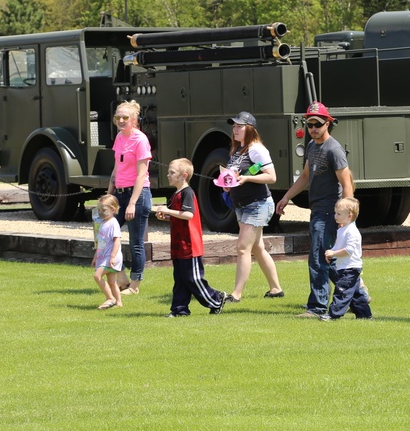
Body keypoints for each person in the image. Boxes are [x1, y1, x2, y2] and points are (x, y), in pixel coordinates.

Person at [275, 102, 354, 318]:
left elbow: (346, 182)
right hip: (317, 209)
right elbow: (305, 176)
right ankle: (357, 293)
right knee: (328, 257)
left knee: (318, 257)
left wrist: (345, 215)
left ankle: (317, 306)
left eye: (317, 124)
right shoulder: (311, 146)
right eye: (309, 124)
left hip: (330, 211)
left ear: (327, 123)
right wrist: (286, 197)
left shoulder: (334, 149)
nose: (313, 128)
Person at [154, 158, 228, 317]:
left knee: (193, 278)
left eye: (172, 172)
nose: (168, 175)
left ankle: (216, 299)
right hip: (178, 245)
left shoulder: (187, 193)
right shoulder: (176, 194)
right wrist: (167, 217)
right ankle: (179, 310)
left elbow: (189, 214)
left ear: (184, 175)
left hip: (190, 245)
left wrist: (168, 211)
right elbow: (179, 216)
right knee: (180, 279)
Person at [224, 111, 284, 303]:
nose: (235, 130)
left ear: (250, 129)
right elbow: (233, 176)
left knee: (243, 248)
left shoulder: (256, 149)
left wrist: (248, 178)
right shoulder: (237, 150)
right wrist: (227, 184)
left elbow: (272, 177)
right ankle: (276, 289)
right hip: (241, 204)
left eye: (239, 126)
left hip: (258, 204)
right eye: (233, 126)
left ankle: (236, 294)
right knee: (257, 248)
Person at [107, 100, 151, 295]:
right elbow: (116, 168)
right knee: (107, 234)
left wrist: (133, 202)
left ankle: (134, 286)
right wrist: (109, 194)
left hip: (138, 194)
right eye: (118, 117)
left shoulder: (140, 140)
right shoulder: (119, 138)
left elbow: (142, 175)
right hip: (120, 193)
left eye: (126, 118)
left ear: (134, 119)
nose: (121, 121)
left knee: (136, 242)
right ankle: (122, 276)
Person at [321, 197, 372, 320]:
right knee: (355, 294)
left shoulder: (352, 232)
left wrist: (333, 254)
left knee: (342, 291)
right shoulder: (342, 229)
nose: (335, 216)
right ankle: (365, 315)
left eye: (339, 214)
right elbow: (339, 246)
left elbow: (349, 250)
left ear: (349, 215)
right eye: (335, 213)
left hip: (350, 268)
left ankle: (333, 315)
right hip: (343, 266)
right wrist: (332, 251)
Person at [91, 194, 124, 310]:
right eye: (99, 210)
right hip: (103, 256)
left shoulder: (113, 223)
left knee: (97, 276)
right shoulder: (103, 223)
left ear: (113, 209)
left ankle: (110, 298)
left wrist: (113, 257)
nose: (101, 212)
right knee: (111, 281)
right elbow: (101, 243)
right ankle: (119, 302)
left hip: (110, 258)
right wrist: (96, 257)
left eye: (103, 210)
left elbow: (117, 240)